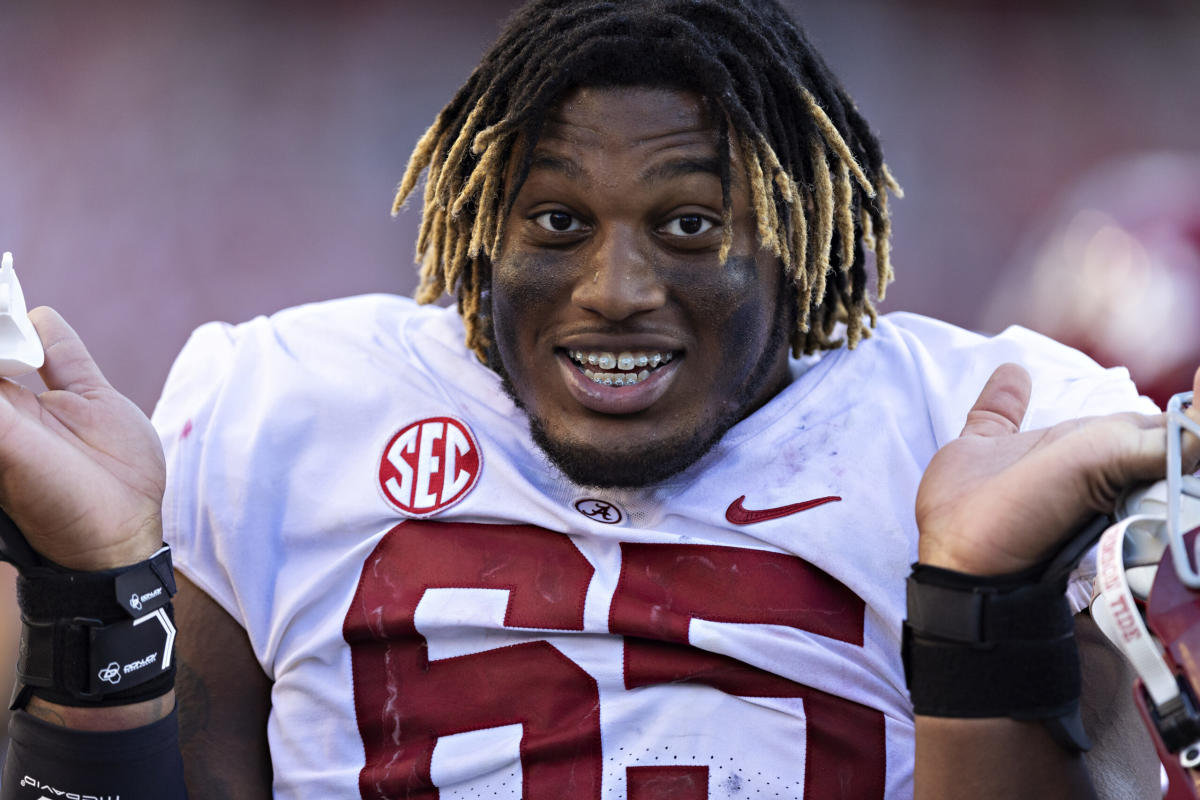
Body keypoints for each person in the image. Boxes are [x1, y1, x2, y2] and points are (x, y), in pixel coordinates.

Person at [0, 1, 1186, 797]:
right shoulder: (283, 408)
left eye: (690, 225)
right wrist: (94, 597)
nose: (616, 290)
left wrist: (985, 607)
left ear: (799, 247)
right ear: (474, 237)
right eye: (558, 223)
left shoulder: (966, 426)